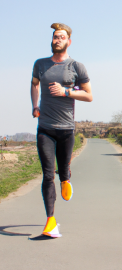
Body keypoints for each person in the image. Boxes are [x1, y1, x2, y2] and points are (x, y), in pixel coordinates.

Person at [31, 23, 93, 238]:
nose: (57, 40)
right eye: (55, 37)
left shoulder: (77, 66)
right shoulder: (40, 64)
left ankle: (65, 178)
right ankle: (50, 222)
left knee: (62, 171)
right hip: (45, 128)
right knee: (48, 175)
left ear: (68, 41)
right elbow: (34, 84)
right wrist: (35, 105)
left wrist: (66, 92)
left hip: (66, 129)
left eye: (61, 37)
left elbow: (89, 95)